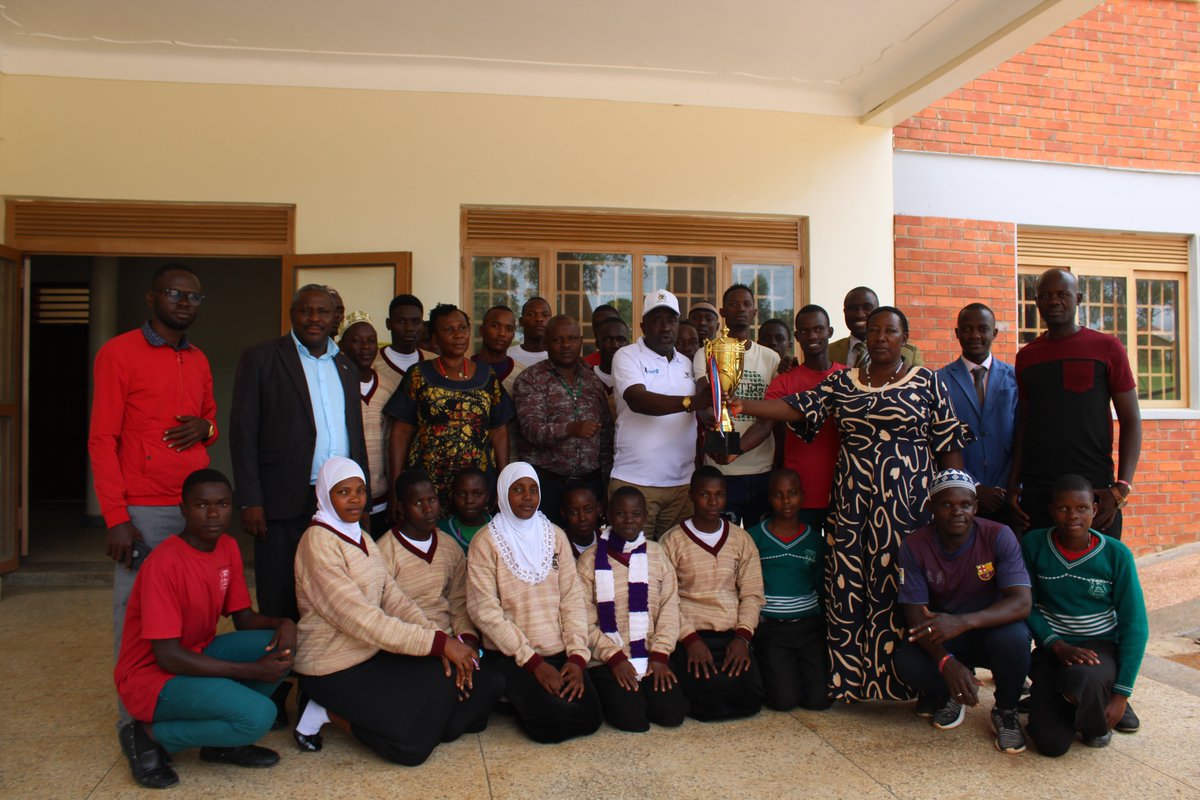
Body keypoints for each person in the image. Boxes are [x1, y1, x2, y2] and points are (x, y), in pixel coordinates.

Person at [733, 306, 969, 701]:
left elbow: (949, 444)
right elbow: (796, 407)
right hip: (853, 504)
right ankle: (854, 682)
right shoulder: (843, 381)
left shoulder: (927, 381)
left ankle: (916, 682)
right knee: (850, 586)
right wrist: (745, 405)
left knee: (901, 585)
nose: (880, 337)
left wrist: (959, 501)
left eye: (890, 331)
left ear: (904, 338)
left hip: (907, 506)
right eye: (874, 331)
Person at [89, 263, 219, 732]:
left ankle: (176, 704)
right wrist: (115, 517)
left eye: (194, 297)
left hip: (193, 509)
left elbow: (209, 418)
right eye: (175, 294)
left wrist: (207, 427)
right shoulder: (119, 353)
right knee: (137, 618)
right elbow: (101, 439)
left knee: (189, 615)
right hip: (144, 508)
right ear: (152, 298)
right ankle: (134, 723)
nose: (185, 303)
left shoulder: (199, 359)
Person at [231, 283, 368, 724]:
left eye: (323, 311)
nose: (314, 318)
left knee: (330, 593)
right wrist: (251, 498)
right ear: (291, 314)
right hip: (281, 496)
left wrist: (360, 493)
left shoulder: (345, 364)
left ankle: (320, 689)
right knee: (279, 594)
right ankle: (272, 692)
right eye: (305, 310)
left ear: (335, 318)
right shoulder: (261, 358)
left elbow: (354, 433)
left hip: (336, 500)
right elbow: (243, 432)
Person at [291, 458, 488, 764]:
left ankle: (417, 723)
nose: (355, 499)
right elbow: (361, 619)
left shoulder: (361, 537)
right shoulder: (317, 542)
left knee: (442, 677)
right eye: (344, 492)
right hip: (331, 665)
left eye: (360, 490)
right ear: (325, 495)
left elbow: (394, 600)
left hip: (369, 656)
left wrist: (440, 641)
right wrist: (438, 644)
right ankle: (320, 711)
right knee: (411, 748)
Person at [114, 469, 295, 789]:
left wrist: (285, 624)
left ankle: (222, 743)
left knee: (279, 644)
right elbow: (167, 656)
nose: (213, 514)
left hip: (196, 654)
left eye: (223, 504)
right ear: (183, 509)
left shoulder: (227, 547)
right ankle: (147, 735)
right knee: (259, 717)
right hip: (152, 676)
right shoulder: (165, 564)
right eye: (201, 505)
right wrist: (251, 671)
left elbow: (245, 619)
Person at [894, 469, 1032, 754]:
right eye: (947, 504)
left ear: (976, 507)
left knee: (1016, 638)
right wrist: (946, 663)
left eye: (965, 504)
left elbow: (1021, 602)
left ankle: (1006, 710)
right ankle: (951, 691)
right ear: (931, 507)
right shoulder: (915, 545)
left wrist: (965, 621)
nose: (957, 512)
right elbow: (915, 616)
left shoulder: (998, 535)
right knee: (906, 659)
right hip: (945, 634)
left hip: (987, 630)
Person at [466, 463, 604, 743]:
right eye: (517, 490)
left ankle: (521, 697)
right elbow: (484, 612)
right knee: (549, 727)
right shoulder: (485, 542)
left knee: (591, 718)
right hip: (516, 655)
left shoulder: (555, 536)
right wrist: (533, 663)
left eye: (533, 490)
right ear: (503, 494)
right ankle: (513, 695)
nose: (527, 497)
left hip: (559, 650)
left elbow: (572, 600)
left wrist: (577, 659)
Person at [1008, 268, 1142, 541]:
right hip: (1038, 489)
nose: (1053, 301)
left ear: (1078, 298)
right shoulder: (1027, 356)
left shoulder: (1106, 347)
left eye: (1062, 294)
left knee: (1099, 576)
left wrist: (1122, 487)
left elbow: (1131, 420)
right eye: (1045, 295)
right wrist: (1013, 483)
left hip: (1094, 490)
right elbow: (1024, 424)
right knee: (1041, 575)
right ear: (1037, 303)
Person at [1022, 474, 1148, 755]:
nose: (1072, 516)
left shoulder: (1116, 554)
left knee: (1084, 677)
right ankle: (1067, 702)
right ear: (1051, 510)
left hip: (1099, 648)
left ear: (1095, 508)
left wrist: (1121, 695)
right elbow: (1025, 605)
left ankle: (1094, 714)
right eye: (1063, 508)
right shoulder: (1033, 544)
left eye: (1081, 508)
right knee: (1051, 746)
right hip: (1053, 646)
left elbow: (1135, 625)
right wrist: (1056, 645)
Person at [375, 469, 505, 732]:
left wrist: (467, 644)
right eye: (417, 502)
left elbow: (459, 603)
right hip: (412, 644)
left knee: (494, 680)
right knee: (440, 684)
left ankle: (447, 715)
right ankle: (446, 716)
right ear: (401, 506)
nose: (428, 509)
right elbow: (387, 613)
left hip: (452, 639)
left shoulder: (449, 547)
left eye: (431, 500)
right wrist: (438, 647)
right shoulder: (384, 552)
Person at [577, 486, 689, 731]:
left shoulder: (658, 555)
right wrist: (615, 658)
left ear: (645, 517)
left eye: (636, 514)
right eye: (620, 513)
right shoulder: (590, 561)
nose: (629, 520)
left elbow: (670, 610)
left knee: (671, 715)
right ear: (607, 515)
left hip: (651, 654)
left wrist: (660, 656)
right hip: (609, 657)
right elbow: (583, 622)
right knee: (633, 720)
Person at [660, 466, 765, 721]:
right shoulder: (671, 541)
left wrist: (742, 639)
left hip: (732, 636)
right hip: (692, 638)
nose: (713, 501)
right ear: (691, 496)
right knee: (706, 703)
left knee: (749, 700)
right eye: (705, 494)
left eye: (719, 494)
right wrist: (690, 640)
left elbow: (752, 594)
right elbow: (666, 600)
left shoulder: (741, 539)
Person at [385, 303, 513, 511]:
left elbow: (498, 430)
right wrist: (396, 489)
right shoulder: (418, 374)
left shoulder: (486, 375)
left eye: (462, 328)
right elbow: (400, 432)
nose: (458, 335)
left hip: (477, 488)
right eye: (449, 330)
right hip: (428, 487)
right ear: (434, 338)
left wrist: (503, 482)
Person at [610, 290, 697, 538]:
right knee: (631, 562)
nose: (665, 327)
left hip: (682, 485)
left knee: (675, 565)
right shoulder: (627, 356)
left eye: (671, 320)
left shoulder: (688, 363)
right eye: (657, 320)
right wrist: (691, 402)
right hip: (636, 483)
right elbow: (639, 400)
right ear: (643, 325)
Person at [513, 315, 613, 528]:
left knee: (587, 551)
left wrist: (605, 483)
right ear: (546, 342)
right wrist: (570, 429)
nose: (566, 345)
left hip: (589, 485)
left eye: (572, 338)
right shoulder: (531, 379)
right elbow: (531, 430)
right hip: (547, 484)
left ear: (581, 341)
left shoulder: (593, 380)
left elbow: (605, 437)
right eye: (558, 340)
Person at [693, 284, 780, 527]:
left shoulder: (770, 358)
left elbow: (769, 418)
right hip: (721, 472)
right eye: (733, 304)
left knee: (757, 546)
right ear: (723, 312)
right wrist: (723, 449)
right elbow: (705, 399)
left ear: (754, 312)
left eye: (746, 304)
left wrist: (737, 449)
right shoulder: (706, 353)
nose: (740, 309)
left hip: (761, 469)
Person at [746, 468, 830, 712]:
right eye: (778, 495)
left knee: (819, 701)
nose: (785, 501)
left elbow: (819, 584)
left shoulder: (815, 541)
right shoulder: (753, 538)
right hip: (771, 628)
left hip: (808, 628)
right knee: (784, 701)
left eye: (792, 493)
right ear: (769, 498)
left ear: (803, 496)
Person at [763, 305, 845, 531]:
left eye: (818, 329)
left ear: (830, 331)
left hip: (842, 492)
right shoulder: (785, 381)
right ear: (797, 336)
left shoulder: (848, 378)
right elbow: (765, 423)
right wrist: (736, 449)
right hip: (797, 496)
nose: (812, 336)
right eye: (805, 331)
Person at [938, 303, 1018, 525]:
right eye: (966, 328)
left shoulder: (1016, 377)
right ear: (957, 333)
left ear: (994, 333)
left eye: (983, 329)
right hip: (959, 498)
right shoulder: (939, 381)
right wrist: (975, 487)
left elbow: (1023, 436)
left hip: (1008, 496)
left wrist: (1005, 487)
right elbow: (940, 442)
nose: (974, 335)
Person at [339, 312, 391, 535]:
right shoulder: (335, 386)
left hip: (383, 497)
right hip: (346, 500)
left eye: (371, 340)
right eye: (357, 340)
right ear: (341, 345)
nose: (365, 347)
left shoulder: (387, 388)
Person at [828, 287, 924, 368]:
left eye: (867, 307)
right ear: (844, 312)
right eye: (852, 308)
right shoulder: (829, 352)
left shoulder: (909, 353)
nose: (859, 314)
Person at [375, 294, 437, 384]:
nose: (409, 328)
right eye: (401, 321)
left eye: (415, 322)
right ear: (388, 324)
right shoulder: (371, 363)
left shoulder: (435, 362)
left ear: (422, 325)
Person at [437, 467, 493, 554]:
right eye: (461, 494)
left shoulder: (501, 528)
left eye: (477, 494)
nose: (469, 500)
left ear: (487, 496)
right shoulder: (440, 530)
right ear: (452, 496)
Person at [472, 304, 525, 386]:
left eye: (509, 329)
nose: (502, 333)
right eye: (495, 326)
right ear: (482, 330)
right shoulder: (464, 368)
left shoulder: (522, 374)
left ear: (513, 336)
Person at [591, 316, 630, 419]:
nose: (615, 345)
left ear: (628, 344)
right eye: (608, 339)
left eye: (621, 339)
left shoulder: (637, 378)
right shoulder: (586, 377)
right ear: (597, 344)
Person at [508, 296, 553, 368]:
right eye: (531, 314)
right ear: (521, 321)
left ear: (551, 321)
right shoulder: (508, 356)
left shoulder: (559, 357)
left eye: (545, 315)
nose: (539, 319)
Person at [561, 483, 603, 558]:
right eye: (573, 512)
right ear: (564, 513)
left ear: (598, 508)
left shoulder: (608, 539)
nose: (582, 518)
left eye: (588, 510)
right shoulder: (557, 544)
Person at [583, 304, 622, 368]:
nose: (603, 328)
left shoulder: (636, 363)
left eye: (609, 323)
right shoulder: (585, 365)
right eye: (598, 325)